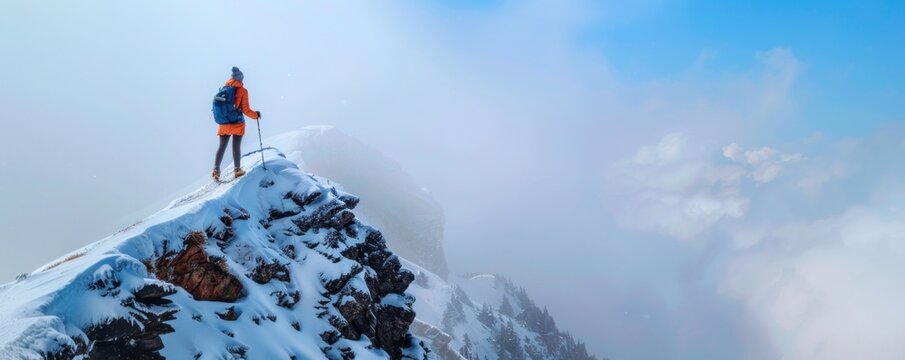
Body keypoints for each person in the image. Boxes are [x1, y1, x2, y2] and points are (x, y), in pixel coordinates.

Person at [213, 67, 261, 181]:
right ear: (240, 78)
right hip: (236, 123)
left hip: (223, 123)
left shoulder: (224, 88)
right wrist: (256, 115)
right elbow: (246, 110)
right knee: (236, 146)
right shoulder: (243, 91)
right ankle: (237, 169)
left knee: (221, 147)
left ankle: (216, 170)